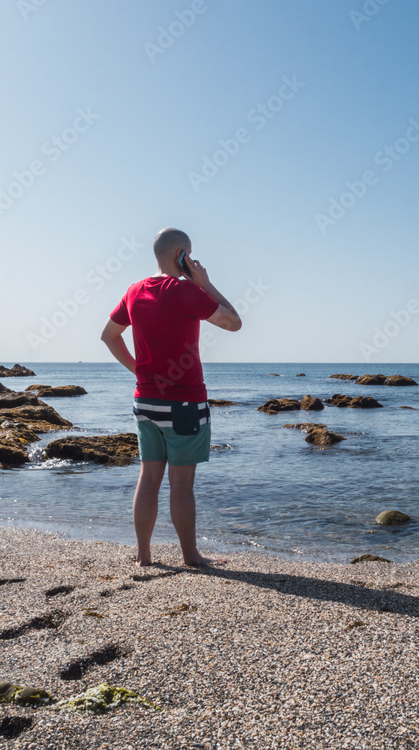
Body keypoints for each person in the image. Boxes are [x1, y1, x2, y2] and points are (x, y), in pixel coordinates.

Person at [100, 227, 242, 567]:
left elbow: (108, 336)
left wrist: (139, 371)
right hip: (185, 404)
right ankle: (191, 556)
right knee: (181, 486)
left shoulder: (134, 291)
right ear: (182, 255)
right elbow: (234, 322)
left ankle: (144, 556)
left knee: (148, 478)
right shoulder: (186, 291)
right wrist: (204, 283)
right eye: (189, 255)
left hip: (145, 402)